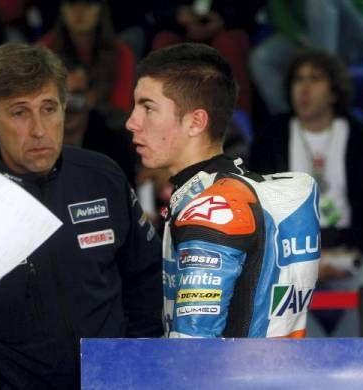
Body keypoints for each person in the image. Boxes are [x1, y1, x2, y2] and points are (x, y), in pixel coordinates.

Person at [0, 43, 162, 389]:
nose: (39, 129)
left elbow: (146, 278)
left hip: (111, 380)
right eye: (20, 113)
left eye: (49, 108)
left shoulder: (103, 175)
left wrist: (136, 362)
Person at [126, 42, 320, 338]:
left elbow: (194, 352)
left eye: (147, 107)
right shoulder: (241, 190)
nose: (131, 122)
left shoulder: (212, 209)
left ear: (196, 122)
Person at [249, 48, 363, 336]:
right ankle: (312, 363)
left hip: (349, 251)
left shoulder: (361, 139)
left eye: (315, 79)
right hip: (287, 256)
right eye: (298, 79)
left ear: (334, 91)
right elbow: (257, 207)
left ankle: (349, 361)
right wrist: (305, 256)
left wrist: (342, 251)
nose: (304, 88)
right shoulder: (271, 138)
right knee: (264, 292)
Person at [251, 0, 363, 114]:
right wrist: (299, 36)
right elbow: (278, 12)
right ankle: (294, 119)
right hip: (307, 36)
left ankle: (324, 100)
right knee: (262, 59)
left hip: (352, 36)